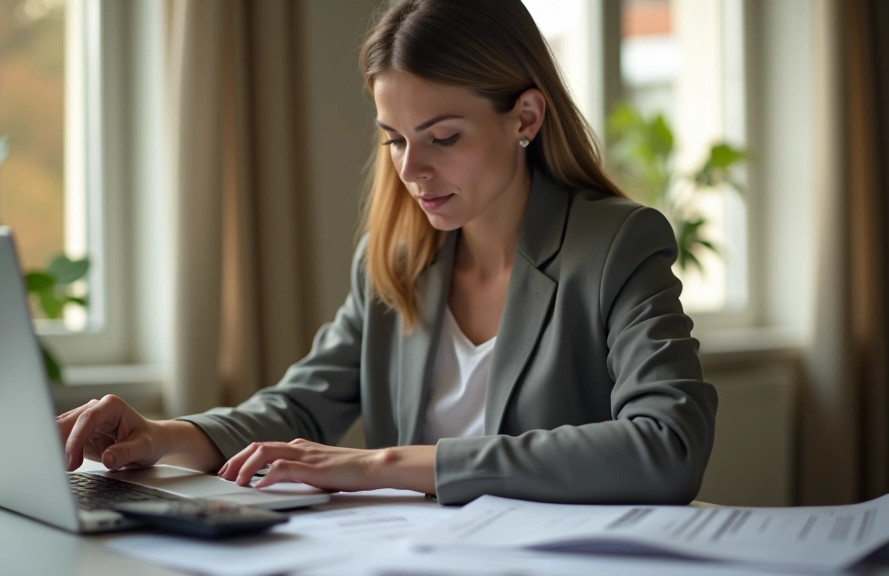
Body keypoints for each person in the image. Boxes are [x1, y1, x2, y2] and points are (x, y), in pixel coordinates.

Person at [57, 0, 717, 506]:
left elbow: (669, 445)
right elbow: (296, 410)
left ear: (525, 118)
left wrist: (384, 465)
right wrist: (161, 436)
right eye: (395, 140)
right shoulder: (397, 258)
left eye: (443, 137)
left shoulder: (617, 244)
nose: (413, 171)